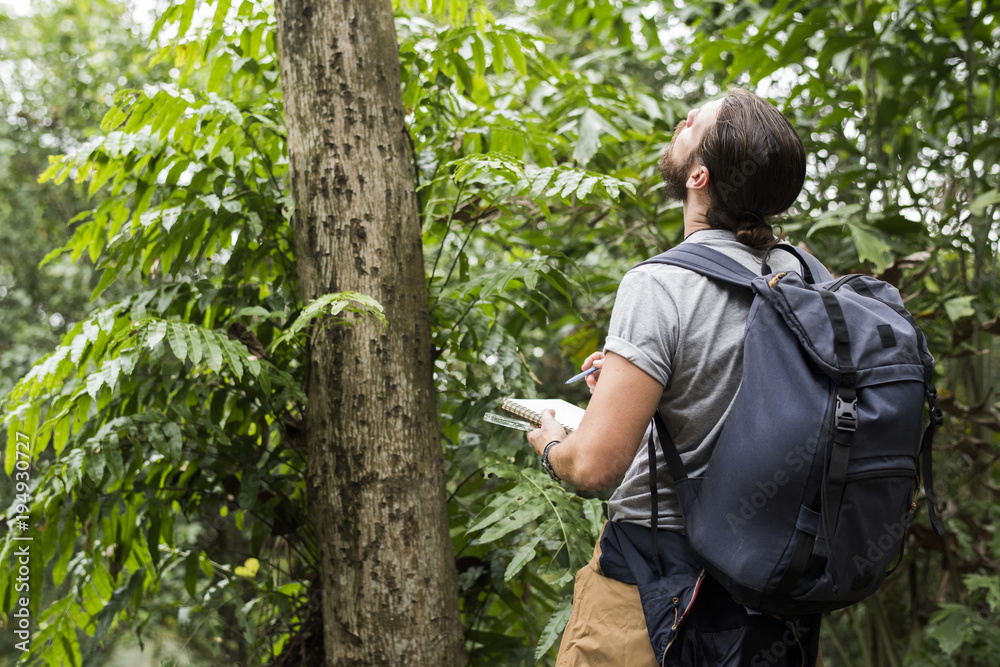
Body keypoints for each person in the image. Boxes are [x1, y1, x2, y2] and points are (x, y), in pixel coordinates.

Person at [527, 88, 825, 666]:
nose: (683, 120)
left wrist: (552, 446)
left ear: (699, 177)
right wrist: (636, 387)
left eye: (694, 123)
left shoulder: (660, 284)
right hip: (775, 589)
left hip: (653, 583)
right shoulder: (807, 273)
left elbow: (594, 467)